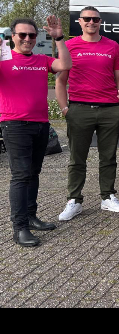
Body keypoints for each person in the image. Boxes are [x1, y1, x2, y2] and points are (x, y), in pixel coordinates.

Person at [0, 16, 72, 247]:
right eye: (22, 35)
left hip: (40, 124)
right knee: (21, 176)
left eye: (32, 35)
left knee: (33, 173)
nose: (27, 39)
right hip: (15, 125)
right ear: (13, 37)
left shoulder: (41, 60)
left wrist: (59, 38)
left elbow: (65, 64)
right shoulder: (4, 59)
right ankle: (19, 227)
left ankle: (31, 216)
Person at [56, 6, 119, 221]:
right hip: (79, 109)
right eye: (87, 19)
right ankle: (74, 200)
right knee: (77, 158)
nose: (91, 22)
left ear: (100, 22)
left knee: (108, 157)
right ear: (79, 21)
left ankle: (107, 197)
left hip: (109, 109)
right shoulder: (69, 46)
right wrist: (65, 108)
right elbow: (60, 81)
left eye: (95, 19)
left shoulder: (112, 46)